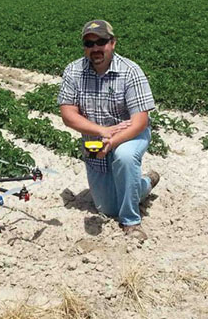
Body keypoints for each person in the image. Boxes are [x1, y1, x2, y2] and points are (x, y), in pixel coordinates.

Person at [58, 20, 160, 241]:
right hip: (96, 141)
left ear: (112, 43)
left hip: (131, 135)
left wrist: (113, 141)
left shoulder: (131, 71)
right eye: (89, 43)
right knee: (107, 208)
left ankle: (131, 222)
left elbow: (140, 121)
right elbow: (68, 115)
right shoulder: (74, 71)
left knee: (124, 158)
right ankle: (145, 183)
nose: (95, 48)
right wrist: (103, 131)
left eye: (101, 42)